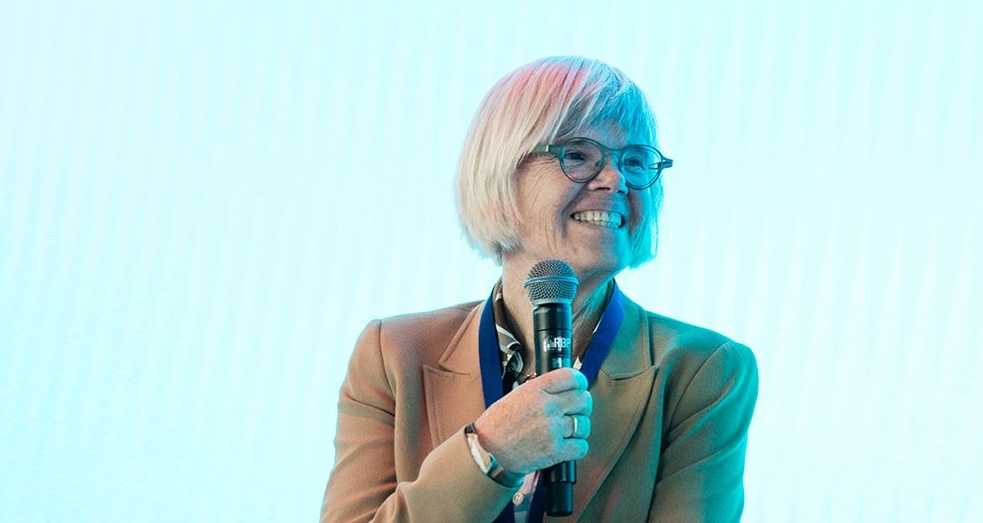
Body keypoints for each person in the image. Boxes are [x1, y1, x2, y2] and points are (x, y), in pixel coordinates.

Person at [321, 56, 758, 522]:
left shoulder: (703, 371)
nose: (615, 179)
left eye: (634, 160)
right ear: (502, 172)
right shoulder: (392, 354)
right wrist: (490, 453)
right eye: (577, 154)